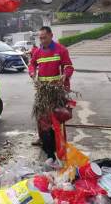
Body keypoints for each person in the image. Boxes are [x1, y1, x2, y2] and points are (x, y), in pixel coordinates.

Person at [28, 26, 73, 166]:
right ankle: (50, 153)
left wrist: (65, 75)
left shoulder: (61, 50)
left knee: (56, 124)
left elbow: (69, 66)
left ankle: (60, 151)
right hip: (42, 93)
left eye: (44, 37)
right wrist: (32, 73)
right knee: (43, 123)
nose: (42, 40)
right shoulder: (38, 52)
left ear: (51, 36)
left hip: (57, 93)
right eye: (40, 38)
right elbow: (32, 64)